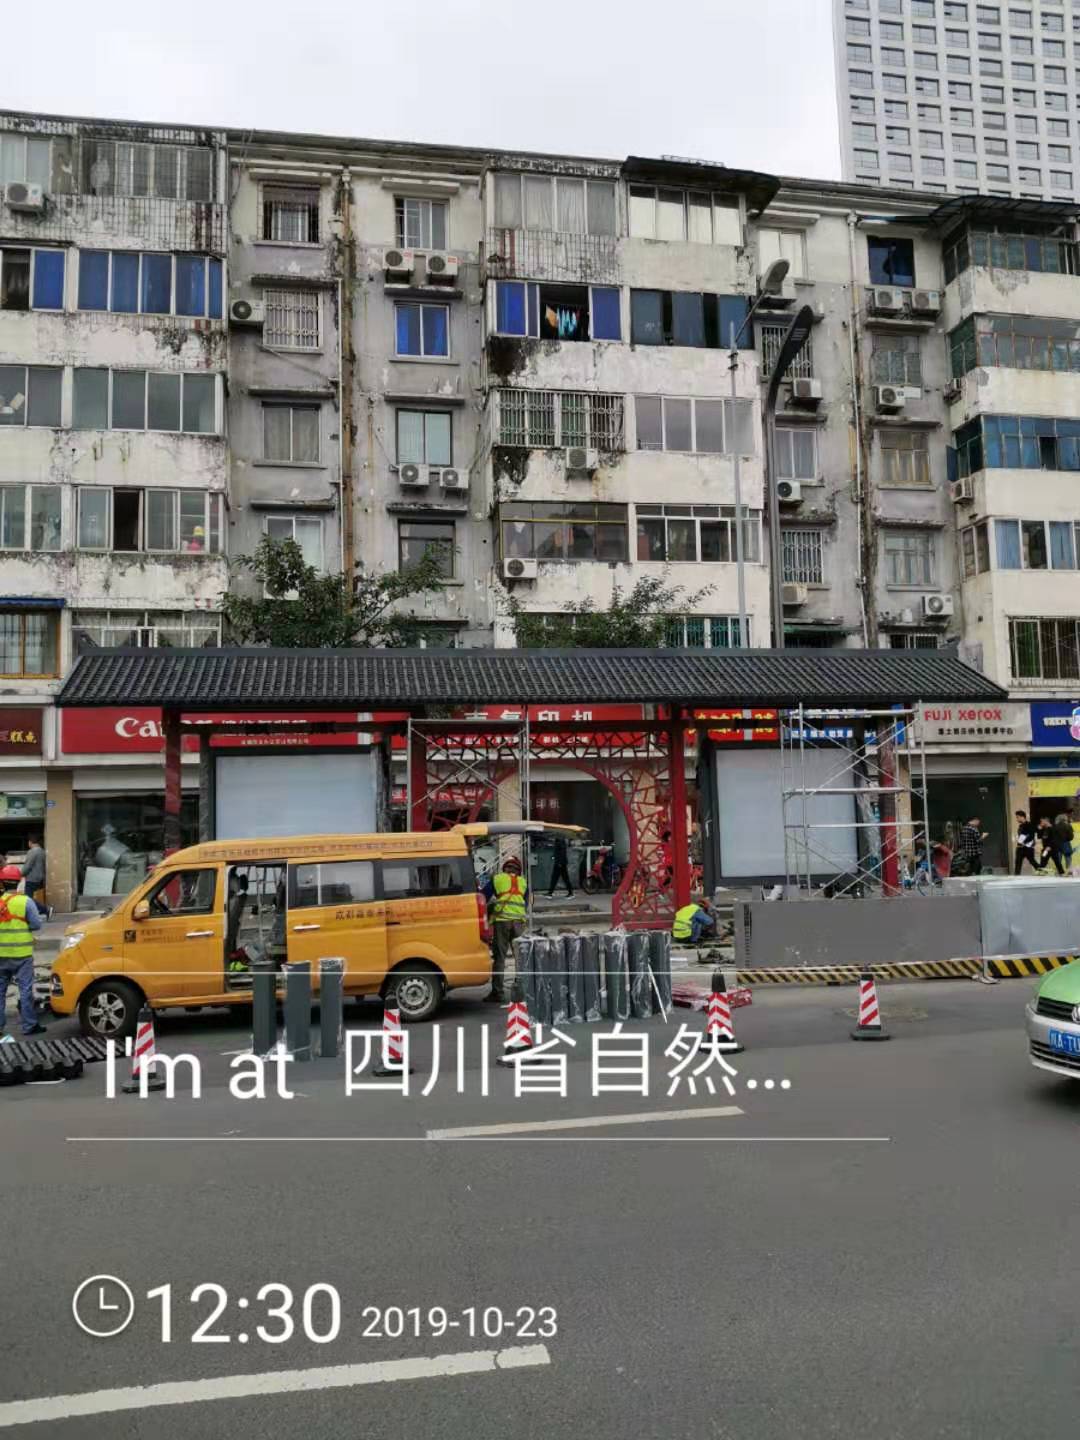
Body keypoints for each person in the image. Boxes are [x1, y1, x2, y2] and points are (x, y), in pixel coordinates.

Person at [0, 863, 45, 1039]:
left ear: (2, 883)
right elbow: (36, 924)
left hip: (1, 955)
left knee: (0, 991)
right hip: (22, 955)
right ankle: (29, 1025)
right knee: (25, 990)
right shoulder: (26, 901)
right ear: (19, 882)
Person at [483, 854, 527, 1003]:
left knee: (500, 958)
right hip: (519, 923)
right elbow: (526, 902)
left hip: (502, 922)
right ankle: (521, 992)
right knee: (520, 958)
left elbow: (483, 897)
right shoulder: (523, 882)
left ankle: (497, 993)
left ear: (505, 868)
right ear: (518, 869)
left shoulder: (497, 879)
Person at [20, 836, 46, 907]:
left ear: (30, 842)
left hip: (31, 878)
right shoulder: (42, 851)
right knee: (37, 897)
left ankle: (45, 909)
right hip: (40, 878)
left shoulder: (32, 851)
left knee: (28, 899)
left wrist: (20, 874)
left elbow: (28, 866)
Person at [546, 834, 573, 900]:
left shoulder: (560, 841)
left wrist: (560, 862)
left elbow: (562, 852)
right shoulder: (559, 841)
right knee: (557, 878)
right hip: (560, 862)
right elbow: (558, 852)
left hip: (560, 863)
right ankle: (550, 893)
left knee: (560, 878)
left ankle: (570, 893)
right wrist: (554, 857)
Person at [1014, 810, 1038, 875]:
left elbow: (1031, 836)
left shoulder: (1029, 825)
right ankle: (1016, 875)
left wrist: (1024, 842)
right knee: (1018, 862)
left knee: (1032, 861)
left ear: (1022, 817)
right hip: (1020, 847)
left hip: (1028, 848)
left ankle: (1041, 871)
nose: (1017, 819)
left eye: (1018, 817)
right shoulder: (1020, 826)